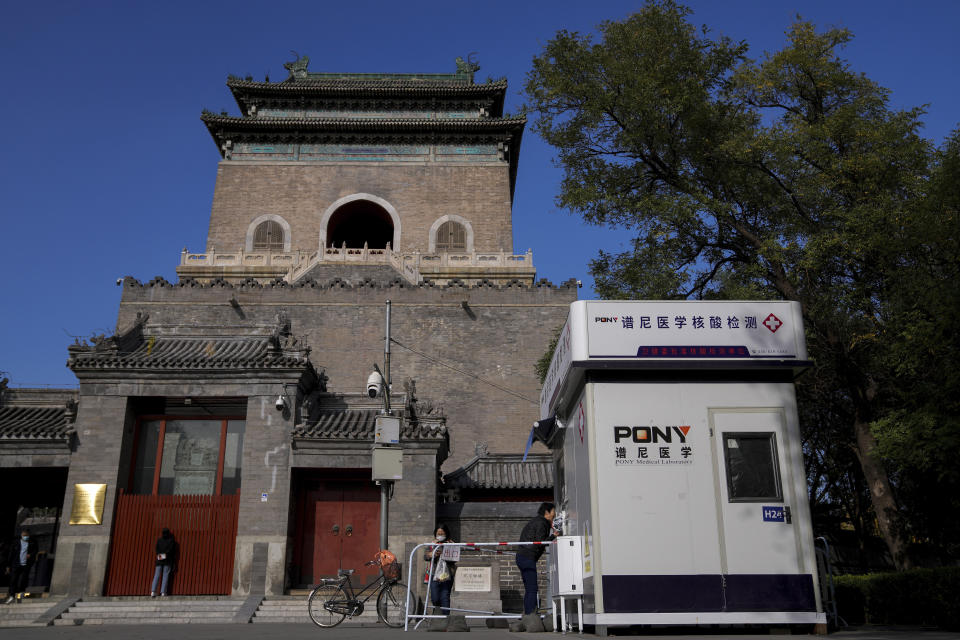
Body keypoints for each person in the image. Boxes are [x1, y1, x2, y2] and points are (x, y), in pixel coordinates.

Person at [515, 502, 557, 616]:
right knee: (532, 589)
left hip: (522, 557)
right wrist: (554, 535)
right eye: (553, 511)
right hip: (527, 557)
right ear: (547, 512)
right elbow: (540, 542)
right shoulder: (542, 523)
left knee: (529, 589)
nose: (555, 514)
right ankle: (531, 616)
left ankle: (528, 614)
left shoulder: (536, 521)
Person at [424, 523, 456, 615]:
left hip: (447, 574)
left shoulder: (452, 543)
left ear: (446, 534)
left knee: (445, 596)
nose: (440, 536)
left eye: (442, 534)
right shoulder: (431, 544)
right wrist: (432, 554)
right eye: (438, 534)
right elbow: (425, 556)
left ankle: (445, 618)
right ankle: (437, 614)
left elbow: (455, 559)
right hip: (434, 574)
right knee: (435, 597)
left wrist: (444, 554)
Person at [5, 528, 38, 604]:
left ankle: (22, 592)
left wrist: (31, 555)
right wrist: (8, 565)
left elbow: (35, 550)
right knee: (13, 580)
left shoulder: (32, 543)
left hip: (25, 564)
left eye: (27, 536)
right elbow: (11, 554)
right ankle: (12, 595)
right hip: (16, 564)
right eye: (24, 535)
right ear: (21, 535)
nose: (25, 537)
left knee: (23, 579)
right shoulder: (16, 543)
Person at [150, 528, 176, 597]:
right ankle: (163, 592)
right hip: (167, 560)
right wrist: (166, 554)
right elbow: (171, 550)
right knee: (165, 575)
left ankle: (153, 591)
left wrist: (160, 555)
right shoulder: (171, 541)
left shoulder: (159, 540)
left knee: (157, 575)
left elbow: (157, 549)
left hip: (159, 559)